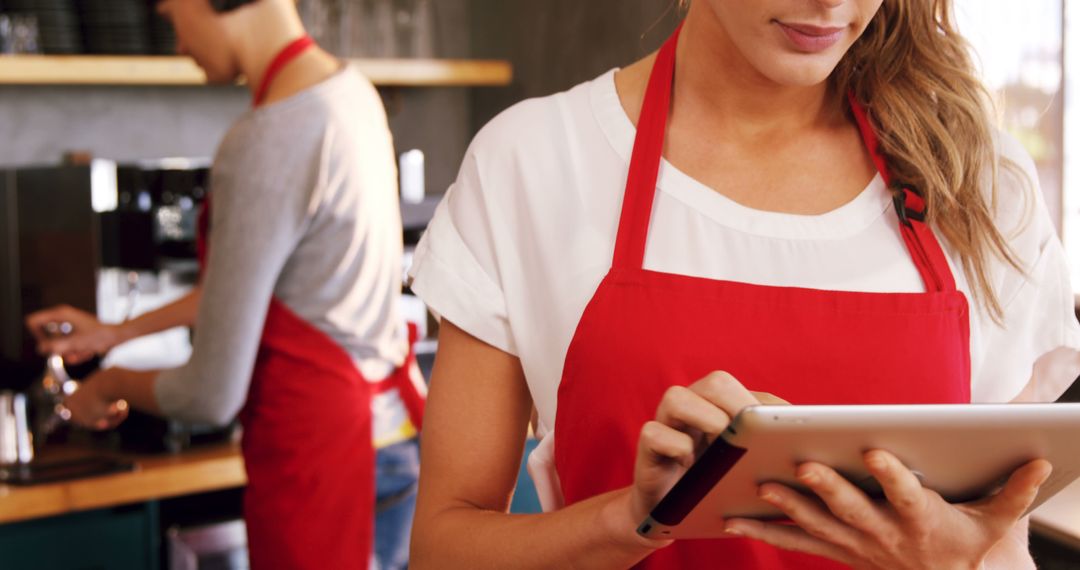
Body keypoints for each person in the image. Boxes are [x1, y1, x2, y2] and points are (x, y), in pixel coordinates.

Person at [406, 0, 1080, 568]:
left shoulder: (977, 178)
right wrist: (635, 517)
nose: (830, 3)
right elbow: (444, 547)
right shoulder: (533, 163)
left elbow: (1001, 540)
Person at [24, 1, 425, 568]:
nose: (179, 44)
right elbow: (277, 287)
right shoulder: (349, 92)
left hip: (319, 456)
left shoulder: (268, 136)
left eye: (171, 17)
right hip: (389, 438)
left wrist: (108, 383)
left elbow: (211, 394)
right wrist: (115, 333)